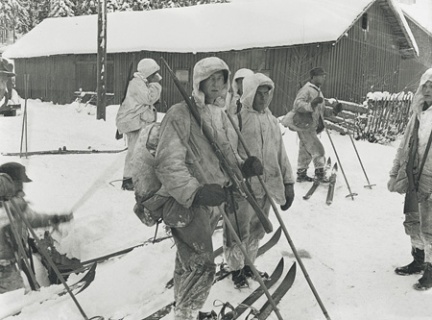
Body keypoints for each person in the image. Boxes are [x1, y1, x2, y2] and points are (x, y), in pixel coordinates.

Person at [151, 57, 262, 320]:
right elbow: (168, 163)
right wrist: (196, 192)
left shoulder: (217, 114)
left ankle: (184, 311)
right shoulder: (181, 113)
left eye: (221, 78)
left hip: (210, 203)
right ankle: (187, 313)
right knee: (201, 265)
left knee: (189, 261)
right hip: (185, 203)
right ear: (199, 81)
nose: (216, 84)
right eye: (210, 78)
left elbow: (225, 156)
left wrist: (243, 168)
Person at [223, 73, 295, 288]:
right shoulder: (237, 118)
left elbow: (280, 153)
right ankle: (235, 268)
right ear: (250, 93)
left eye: (267, 94)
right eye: (259, 94)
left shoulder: (272, 121)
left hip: (266, 186)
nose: (263, 98)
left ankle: (248, 264)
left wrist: (288, 183)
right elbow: (228, 152)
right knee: (238, 229)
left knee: (256, 230)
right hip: (242, 187)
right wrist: (242, 167)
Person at [388, 68, 432, 290]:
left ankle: (431, 269)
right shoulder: (417, 115)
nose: (428, 90)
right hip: (413, 175)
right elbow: (404, 146)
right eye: (425, 85)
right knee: (413, 220)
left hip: (431, 177)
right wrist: (395, 173)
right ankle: (418, 260)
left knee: (430, 226)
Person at [0, 162, 73, 294]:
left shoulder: (15, 202)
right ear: (10, 182)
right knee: (14, 298)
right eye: (19, 182)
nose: (22, 186)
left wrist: (56, 218)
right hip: (3, 265)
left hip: (10, 260)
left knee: (19, 294)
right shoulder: (8, 204)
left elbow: (32, 219)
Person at [282, 67, 341, 182]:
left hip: (310, 125)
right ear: (313, 77)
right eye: (320, 75)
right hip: (304, 123)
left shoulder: (318, 91)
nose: (323, 77)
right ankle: (320, 173)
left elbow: (321, 111)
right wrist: (311, 105)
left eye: (324, 75)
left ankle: (301, 172)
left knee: (305, 149)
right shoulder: (307, 89)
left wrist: (334, 111)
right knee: (318, 149)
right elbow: (297, 104)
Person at [116, 58, 163, 191]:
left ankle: (137, 178)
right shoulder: (137, 83)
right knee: (134, 151)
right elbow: (149, 98)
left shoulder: (142, 82)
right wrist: (156, 85)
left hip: (138, 121)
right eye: (154, 74)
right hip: (133, 122)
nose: (157, 77)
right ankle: (128, 180)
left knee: (140, 151)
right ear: (148, 73)